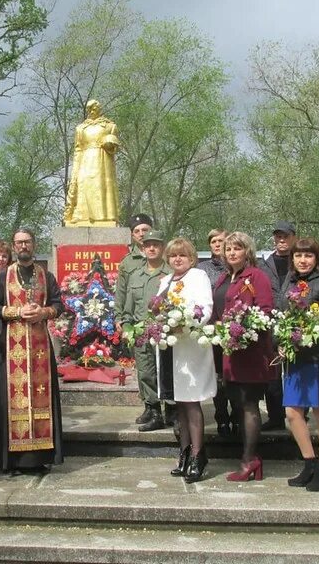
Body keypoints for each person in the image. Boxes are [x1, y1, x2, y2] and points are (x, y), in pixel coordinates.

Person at [0, 228, 64, 474]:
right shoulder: (2, 277)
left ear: (33, 244)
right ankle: (12, 461)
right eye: (19, 243)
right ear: (13, 246)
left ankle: (39, 458)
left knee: (42, 401)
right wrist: (18, 312)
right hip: (10, 348)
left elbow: (58, 304)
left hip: (40, 349)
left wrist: (44, 312)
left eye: (27, 242)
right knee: (10, 402)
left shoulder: (46, 275)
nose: (23, 246)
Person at [281, 238, 319, 491]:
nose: (303, 260)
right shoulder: (290, 282)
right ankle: (309, 463)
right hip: (295, 358)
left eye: (308, 256)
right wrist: (281, 339)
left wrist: (309, 331)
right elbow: (280, 313)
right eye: (298, 256)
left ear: (317, 258)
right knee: (292, 413)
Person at [213, 232, 275, 482]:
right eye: (228, 249)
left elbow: (266, 310)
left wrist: (244, 325)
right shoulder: (223, 278)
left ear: (247, 251)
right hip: (228, 353)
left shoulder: (256, 276)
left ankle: (250, 460)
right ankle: (249, 458)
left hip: (250, 352)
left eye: (237, 248)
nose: (232, 253)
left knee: (249, 406)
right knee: (237, 404)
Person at [156, 238, 217, 483]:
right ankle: (183, 451)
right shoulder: (164, 281)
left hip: (190, 347)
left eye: (182, 255)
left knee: (191, 402)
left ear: (191, 258)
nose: (177, 259)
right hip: (169, 349)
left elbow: (205, 307)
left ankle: (198, 454)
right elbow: (156, 309)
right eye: (173, 256)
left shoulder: (198, 276)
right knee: (178, 404)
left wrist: (185, 322)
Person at [118, 230, 170, 431]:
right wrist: (126, 325)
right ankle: (154, 410)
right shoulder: (135, 275)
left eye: (155, 244)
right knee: (146, 372)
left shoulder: (170, 274)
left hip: (165, 332)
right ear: (142, 248)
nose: (151, 248)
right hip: (141, 333)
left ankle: (172, 411)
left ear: (162, 247)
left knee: (165, 371)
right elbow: (128, 307)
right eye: (148, 245)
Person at [198, 228, 240, 437]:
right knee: (218, 377)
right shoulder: (202, 268)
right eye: (213, 241)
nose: (217, 244)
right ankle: (221, 417)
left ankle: (238, 417)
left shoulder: (237, 267)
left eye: (221, 241)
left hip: (236, 329)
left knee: (235, 375)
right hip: (212, 329)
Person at [257, 221, 297, 431]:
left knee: (296, 372)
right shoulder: (264, 264)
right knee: (272, 375)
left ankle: (299, 414)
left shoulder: (300, 261)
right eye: (278, 236)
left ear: (293, 237)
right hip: (270, 326)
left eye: (286, 236)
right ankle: (275, 417)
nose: (281, 240)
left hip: (295, 325)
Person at [63, 99, 120, 227]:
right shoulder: (81, 128)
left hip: (102, 161)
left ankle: (104, 217)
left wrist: (110, 143)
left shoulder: (110, 126)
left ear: (99, 108)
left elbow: (115, 146)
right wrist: (75, 169)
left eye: (94, 108)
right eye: (89, 109)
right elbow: (78, 149)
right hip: (85, 160)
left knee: (101, 186)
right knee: (84, 185)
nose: (91, 111)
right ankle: (82, 216)